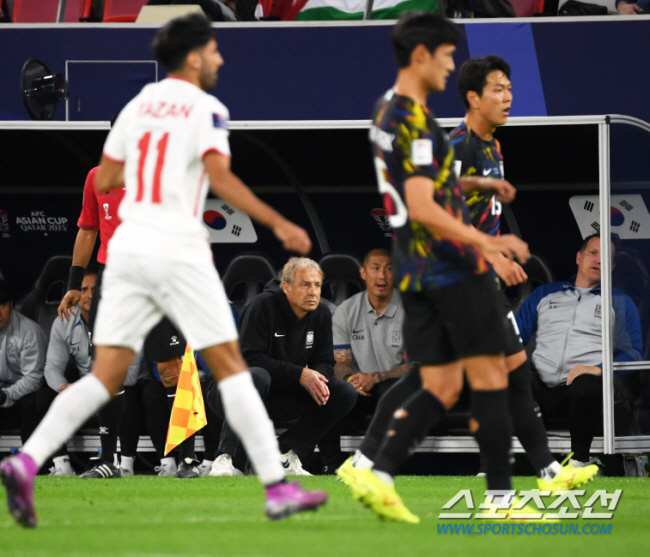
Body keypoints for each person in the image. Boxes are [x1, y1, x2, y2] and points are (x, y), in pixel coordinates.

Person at [0, 13, 326, 528]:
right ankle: (277, 487)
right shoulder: (206, 107)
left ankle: (25, 461)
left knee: (106, 377)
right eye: (215, 50)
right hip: (176, 249)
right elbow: (219, 175)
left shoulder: (136, 108)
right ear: (193, 56)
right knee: (231, 366)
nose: (220, 58)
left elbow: (107, 174)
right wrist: (277, 221)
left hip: (126, 252)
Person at [338, 12, 531, 523]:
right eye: (446, 56)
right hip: (447, 265)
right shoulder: (417, 122)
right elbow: (423, 206)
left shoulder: (386, 111)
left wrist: (479, 187)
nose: (451, 68)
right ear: (421, 56)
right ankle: (500, 500)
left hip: (413, 267)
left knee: (442, 384)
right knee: (491, 374)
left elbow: (418, 187)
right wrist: (490, 244)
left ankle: (375, 472)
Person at [207, 257, 357, 476]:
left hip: (281, 395)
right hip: (232, 392)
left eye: (317, 285)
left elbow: (325, 361)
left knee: (344, 392)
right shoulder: (262, 306)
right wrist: (300, 374)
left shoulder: (322, 314)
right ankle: (223, 457)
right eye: (305, 284)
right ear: (286, 286)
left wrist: (315, 378)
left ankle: (285, 453)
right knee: (257, 377)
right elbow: (248, 360)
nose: (313, 292)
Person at [516, 233, 643, 466]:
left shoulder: (620, 301)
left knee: (587, 382)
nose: (598, 260)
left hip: (583, 389)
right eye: (593, 253)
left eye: (606, 257)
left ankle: (579, 462)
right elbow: (513, 338)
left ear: (612, 266)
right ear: (578, 257)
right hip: (540, 385)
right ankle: (491, 468)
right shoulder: (545, 294)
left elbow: (634, 354)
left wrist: (599, 368)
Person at [332, 248, 407, 424]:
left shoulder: (412, 311)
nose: (382, 276)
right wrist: (349, 380)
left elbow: (416, 367)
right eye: (375, 268)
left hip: (397, 386)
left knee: (389, 393)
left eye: (389, 268)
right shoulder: (346, 310)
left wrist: (375, 377)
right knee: (332, 406)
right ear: (363, 273)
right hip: (361, 387)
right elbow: (341, 363)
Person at [36, 271, 97, 476]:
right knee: (45, 395)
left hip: (113, 389)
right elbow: (52, 368)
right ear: (74, 294)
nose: (89, 295)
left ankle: (124, 464)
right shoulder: (64, 320)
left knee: (133, 393)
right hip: (84, 390)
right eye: (83, 289)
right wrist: (65, 388)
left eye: (94, 289)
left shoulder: (118, 319)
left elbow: (130, 374)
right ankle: (61, 465)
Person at [0, 279, 47, 446]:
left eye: (3, 305)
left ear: (11, 305)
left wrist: (7, 394)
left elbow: (34, 378)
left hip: (22, 395)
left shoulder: (29, 331)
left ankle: (31, 465)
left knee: (32, 402)